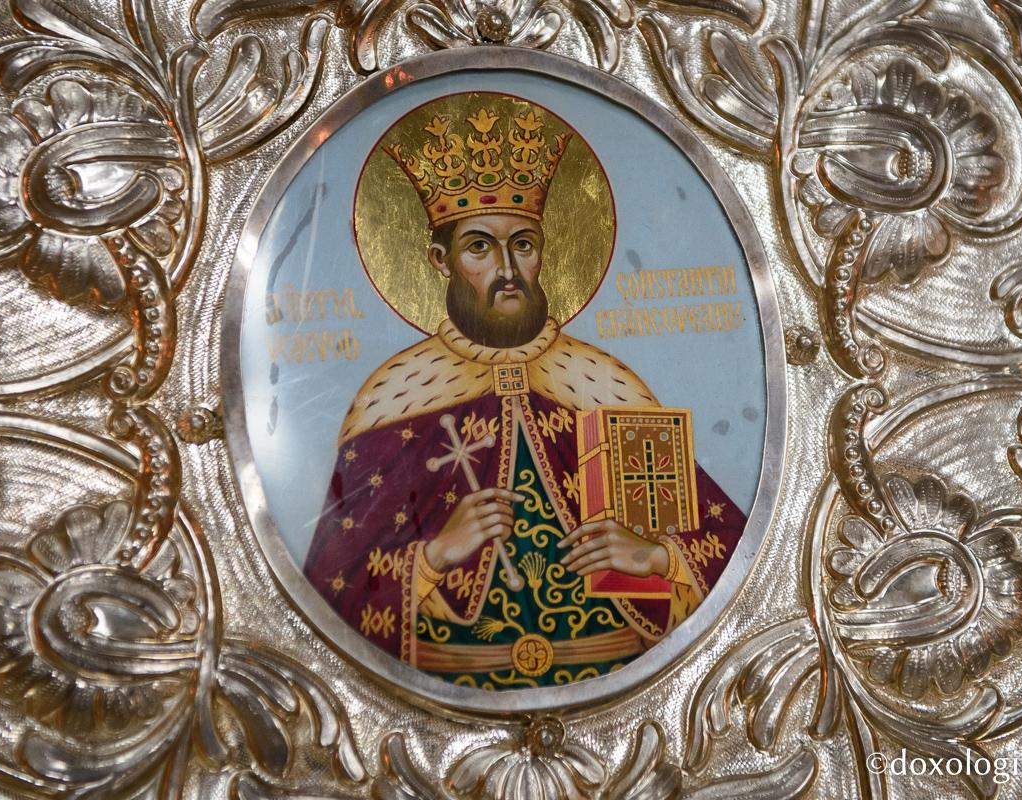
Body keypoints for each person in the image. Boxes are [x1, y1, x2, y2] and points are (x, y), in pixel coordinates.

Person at [303, 99, 745, 688]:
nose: (507, 269)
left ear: (544, 254)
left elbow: (728, 552)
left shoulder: (602, 386)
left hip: (617, 683)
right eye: (479, 247)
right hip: (447, 698)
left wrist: (655, 558)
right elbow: (331, 592)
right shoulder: (398, 397)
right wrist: (434, 556)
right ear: (440, 261)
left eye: (524, 245)